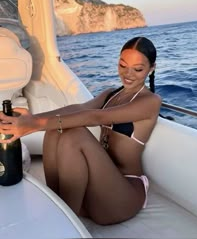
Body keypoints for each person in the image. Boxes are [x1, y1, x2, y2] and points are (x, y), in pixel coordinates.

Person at [0, 36, 161, 225]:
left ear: (151, 68)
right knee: (57, 129)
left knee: (75, 134)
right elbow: (78, 109)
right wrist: (31, 119)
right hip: (98, 185)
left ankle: (65, 223)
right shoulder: (111, 93)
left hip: (124, 196)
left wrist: (35, 125)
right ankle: (58, 205)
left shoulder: (150, 101)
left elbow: (96, 117)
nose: (128, 74)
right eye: (122, 65)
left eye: (138, 69)